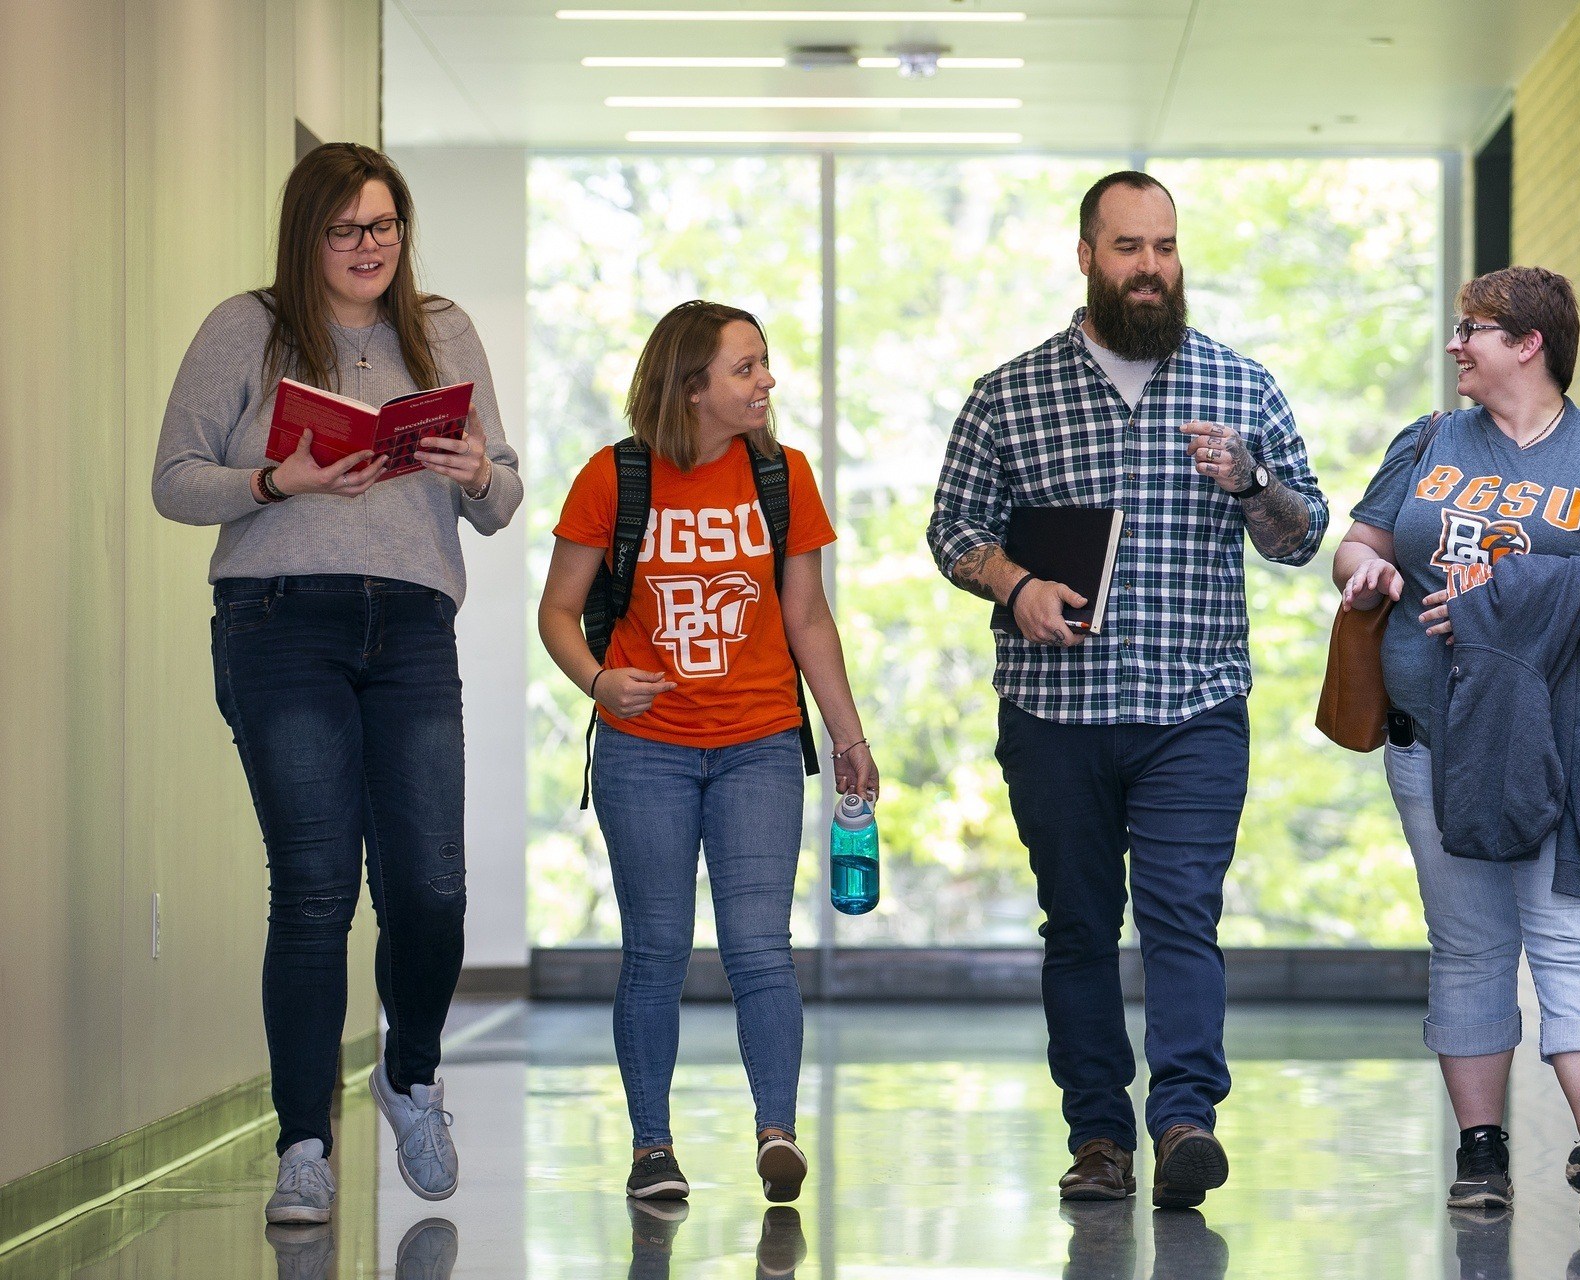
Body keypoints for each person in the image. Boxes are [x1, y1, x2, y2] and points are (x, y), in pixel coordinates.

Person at [926, 171, 1328, 1208]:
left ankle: (1187, 1119)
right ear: (1086, 257)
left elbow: (1302, 536)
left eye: (1164, 247)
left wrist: (1251, 481)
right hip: (1055, 715)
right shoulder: (1009, 393)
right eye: (1127, 248)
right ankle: (1099, 1134)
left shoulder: (1241, 388)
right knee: (1078, 925)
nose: (1150, 268)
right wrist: (1013, 583)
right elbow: (953, 529)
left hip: (1194, 710)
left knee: (1183, 919)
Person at [152, 142, 523, 1224]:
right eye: (347, 229)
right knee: (315, 886)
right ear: (307, 235)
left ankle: (410, 1075)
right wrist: (280, 478)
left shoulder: (443, 328)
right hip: (278, 618)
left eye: (386, 225)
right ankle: (303, 1142)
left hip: (410, 623)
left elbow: (500, 500)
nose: (370, 247)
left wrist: (473, 471)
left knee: (432, 886)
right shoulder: (247, 327)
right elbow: (174, 481)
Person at [1331, 265, 1580, 1220]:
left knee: (1573, 939)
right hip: (1432, 747)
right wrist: (1366, 572)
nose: (1456, 345)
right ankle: (1481, 1152)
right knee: (1470, 948)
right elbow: (1358, 541)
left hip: (1579, 746)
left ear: (1529, 343)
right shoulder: (1429, 441)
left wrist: (1499, 603)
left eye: (1473, 329)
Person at [538, 299, 879, 1206]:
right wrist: (598, 682)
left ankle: (778, 1132)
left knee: (761, 947)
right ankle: (653, 1147)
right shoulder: (612, 480)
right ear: (693, 387)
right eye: (746, 368)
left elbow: (806, 617)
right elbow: (558, 613)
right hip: (643, 750)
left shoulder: (784, 478)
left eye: (764, 365)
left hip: (760, 744)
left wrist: (848, 734)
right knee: (654, 949)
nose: (766, 381)